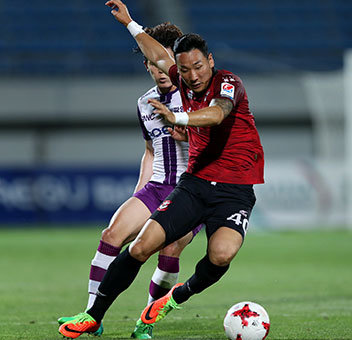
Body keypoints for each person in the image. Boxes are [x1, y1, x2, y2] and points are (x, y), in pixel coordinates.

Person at [58, 0, 264, 338]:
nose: (193, 75)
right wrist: (130, 24)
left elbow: (218, 114)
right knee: (139, 246)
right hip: (194, 185)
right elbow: (157, 55)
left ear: (209, 61)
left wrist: (178, 118)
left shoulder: (227, 83)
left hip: (234, 190)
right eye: (185, 70)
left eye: (198, 66)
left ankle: (174, 297)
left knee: (221, 255)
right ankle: (93, 315)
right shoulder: (178, 84)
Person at [57, 22, 202, 339]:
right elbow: (150, 150)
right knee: (112, 233)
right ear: (148, 65)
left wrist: (186, 132)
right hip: (157, 186)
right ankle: (92, 314)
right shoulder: (144, 103)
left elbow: (213, 142)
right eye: (153, 63)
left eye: (165, 62)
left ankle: (146, 321)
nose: (160, 70)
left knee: (170, 250)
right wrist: (140, 191)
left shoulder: (194, 97)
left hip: (191, 190)